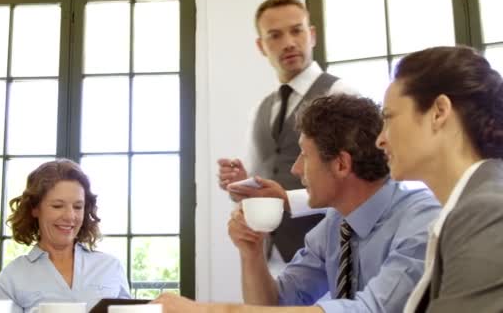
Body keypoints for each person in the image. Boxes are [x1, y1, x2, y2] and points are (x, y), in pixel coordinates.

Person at [157, 94, 441, 312]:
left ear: (341, 164)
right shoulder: (335, 224)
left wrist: (205, 310)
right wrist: (252, 252)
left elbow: (367, 311)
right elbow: (275, 305)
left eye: (305, 155)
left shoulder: (421, 221)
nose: (295, 169)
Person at [217, 0, 358, 272]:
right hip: (271, 257)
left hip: (331, 255)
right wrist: (241, 184)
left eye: (297, 31)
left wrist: (286, 199)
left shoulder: (341, 95)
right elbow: (260, 179)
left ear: (312, 34)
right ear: (261, 46)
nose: (289, 43)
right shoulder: (261, 109)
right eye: (275, 35)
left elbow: (359, 183)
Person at [375, 46, 503, 312]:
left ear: (439, 112)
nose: (380, 140)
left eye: (388, 118)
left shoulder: (485, 212)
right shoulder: (469, 206)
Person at [0, 159, 130, 313]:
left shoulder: (111, 267)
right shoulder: (11, 277)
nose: (70, 216)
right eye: (57, 206)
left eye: (78, 207)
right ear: (35, 208)